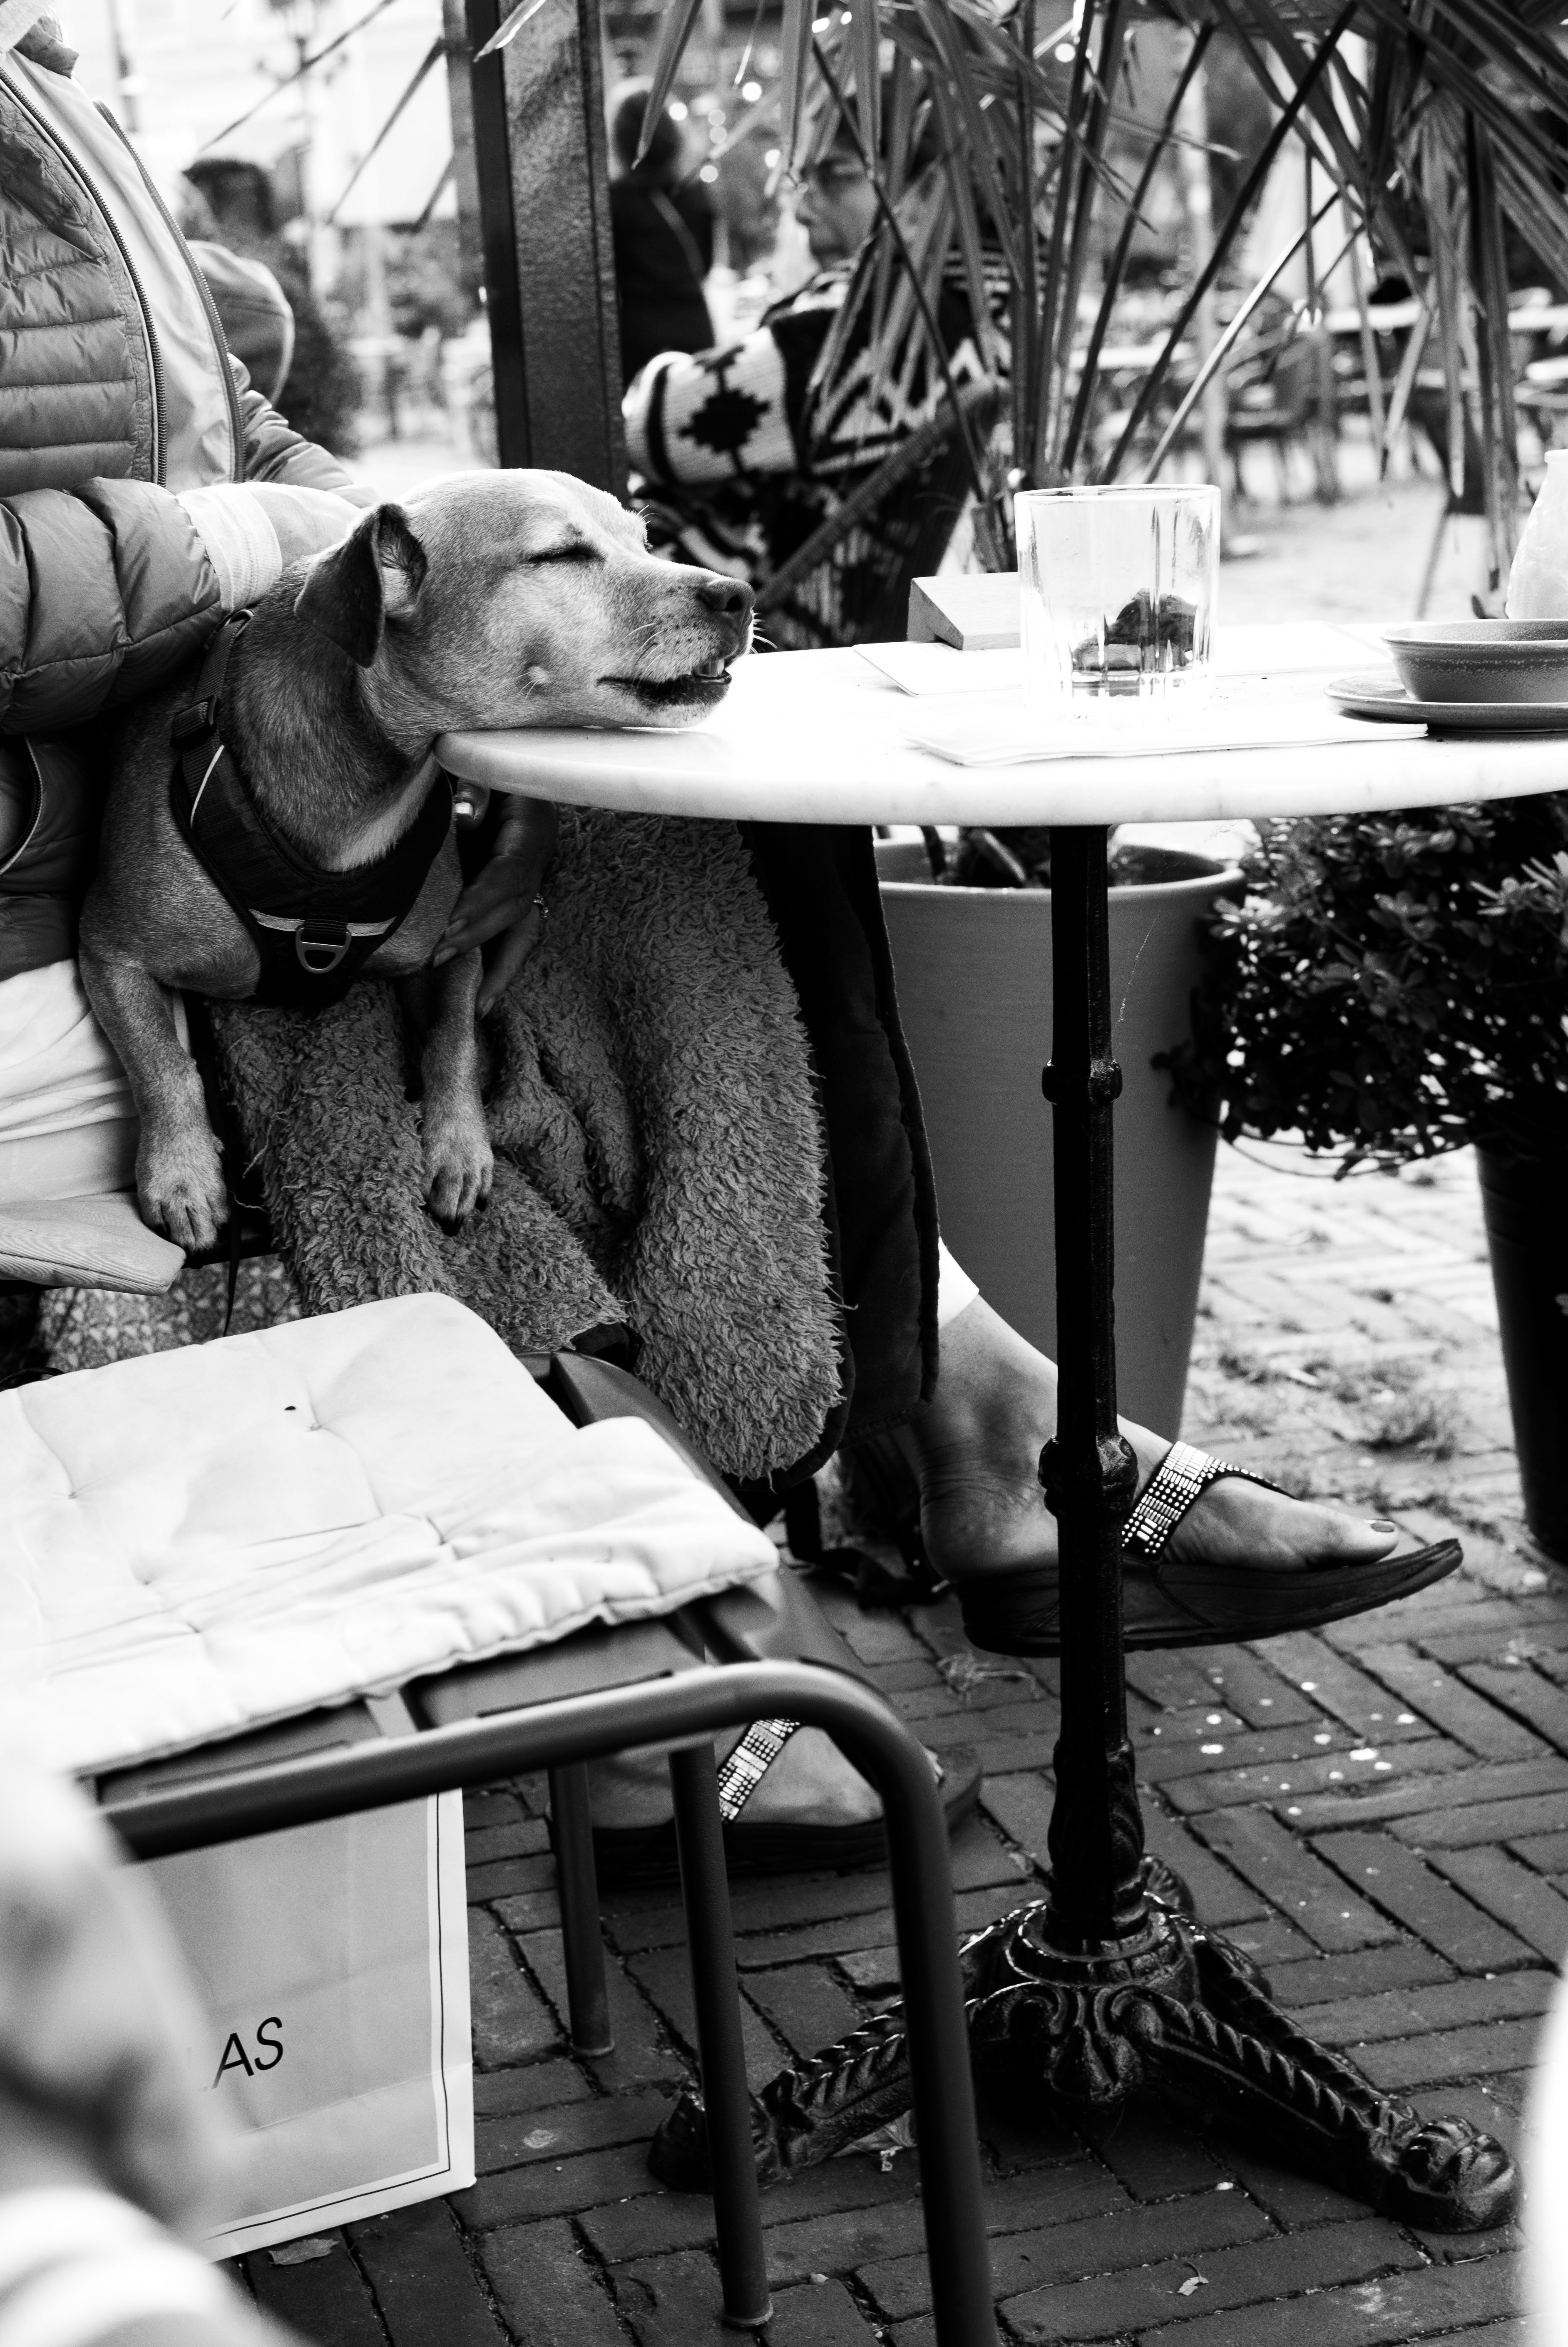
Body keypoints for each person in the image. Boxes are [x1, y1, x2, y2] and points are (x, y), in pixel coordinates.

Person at [623, 99, 1001, 637]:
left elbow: (649, 425)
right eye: (804, 182)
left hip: (741, 621)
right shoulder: (966, 316)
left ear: (922, 193)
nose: (802, 211)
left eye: (835, 177)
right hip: (816, 611)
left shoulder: (871, 327)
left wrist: (657, 371)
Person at [609, 83, 715, 386]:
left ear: (620, 139)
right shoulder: (695, 193)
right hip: (696, 329)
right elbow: (706, 264)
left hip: (640, 338)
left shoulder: (613, 202)